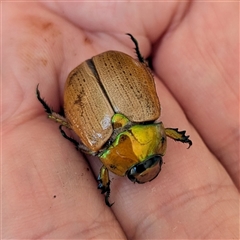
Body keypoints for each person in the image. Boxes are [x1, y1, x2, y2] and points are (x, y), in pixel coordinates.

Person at [2, 2, 239, 239]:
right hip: (109, 69)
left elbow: (160, 129)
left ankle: (53, 115)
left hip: (98, 77)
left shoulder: (134, 129)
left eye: (137, 169)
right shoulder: (122, 135)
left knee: (81, 138)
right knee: (84, 139)